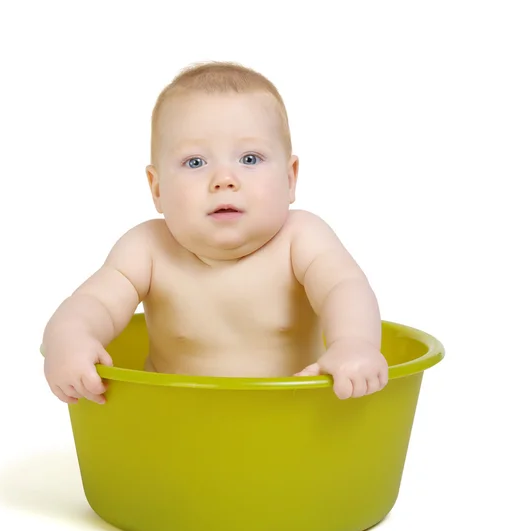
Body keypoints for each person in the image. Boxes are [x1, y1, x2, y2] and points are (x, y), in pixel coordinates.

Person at [42, 61, 389, 405]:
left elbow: (344, 288)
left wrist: (353, 343)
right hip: (177, 429)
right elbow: (95, 303)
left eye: (250, 159)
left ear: (289, 178)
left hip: (292, 426)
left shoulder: (302, 238)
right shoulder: (146, 249)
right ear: (157, 188)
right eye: (195, 162)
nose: (224, 179)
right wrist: (70, 338)